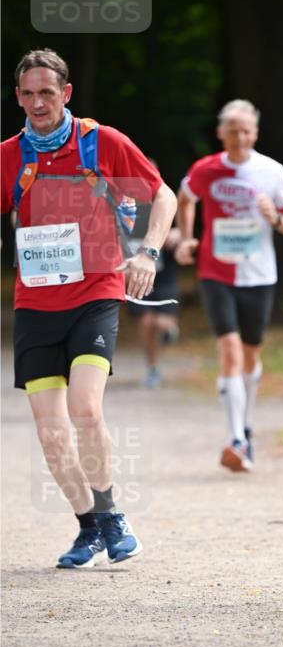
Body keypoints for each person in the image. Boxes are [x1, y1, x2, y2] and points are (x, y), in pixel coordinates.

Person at [1, 48, 177, 568]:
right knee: (51, 435)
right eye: (28, 94)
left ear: (66, 94)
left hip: (96, 293)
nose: (38, 103)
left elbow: (162, 195)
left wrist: (148, 252)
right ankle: (89, 528)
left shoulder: (102, 142)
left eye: (47, 93)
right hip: (35, 304)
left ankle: (112, 513)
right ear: (17, 97)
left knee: (86, 408)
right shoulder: (10, 156)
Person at [176, 99, 283, 471]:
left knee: (250, 355)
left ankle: (245, 427)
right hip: (216, 272)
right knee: (229, 350)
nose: (240, 137)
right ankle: (235, 441)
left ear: (255, 133)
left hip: (260, 275)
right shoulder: (206, 169)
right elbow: (185, 198)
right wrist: (186, 238)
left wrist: (275, 217)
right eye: (233, 131)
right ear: (221, 134)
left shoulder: (272, 172)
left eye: (246, 131)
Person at [126, 163, 181, 388]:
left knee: (162, 323)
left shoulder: (163, 201)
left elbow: (180, 229)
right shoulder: (123, 208)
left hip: (164, 273)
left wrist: (179, 235)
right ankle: (152, 368)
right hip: (136, 274)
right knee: (147, 322)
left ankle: (170, 330)